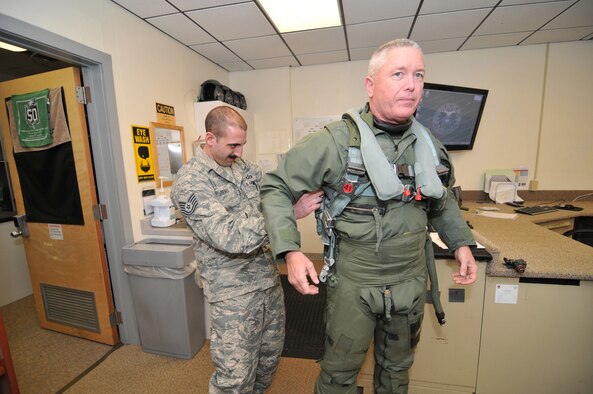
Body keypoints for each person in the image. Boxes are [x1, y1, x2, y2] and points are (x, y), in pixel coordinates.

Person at [260, 38, 478, 393]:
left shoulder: (430, 146)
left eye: (419, 75)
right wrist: (291, 250)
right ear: (370, 84)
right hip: (354, 283)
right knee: (339, 373)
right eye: (398, 74)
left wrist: (461, 244)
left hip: (410, 280)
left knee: (397, 372)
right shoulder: (334, 142)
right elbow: (275, 187)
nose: (411, 84)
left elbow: (441, 200)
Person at [170, 105, 321, 393]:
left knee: (267, 363)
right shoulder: (190, 183)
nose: (239, 152)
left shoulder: (248, 170)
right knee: (235, 379)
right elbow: (229, 236)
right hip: (233, 296)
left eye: (243, 144)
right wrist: (289, 211)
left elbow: (274, 197)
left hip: (267, 283)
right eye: (233, 145)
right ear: (210, 138)